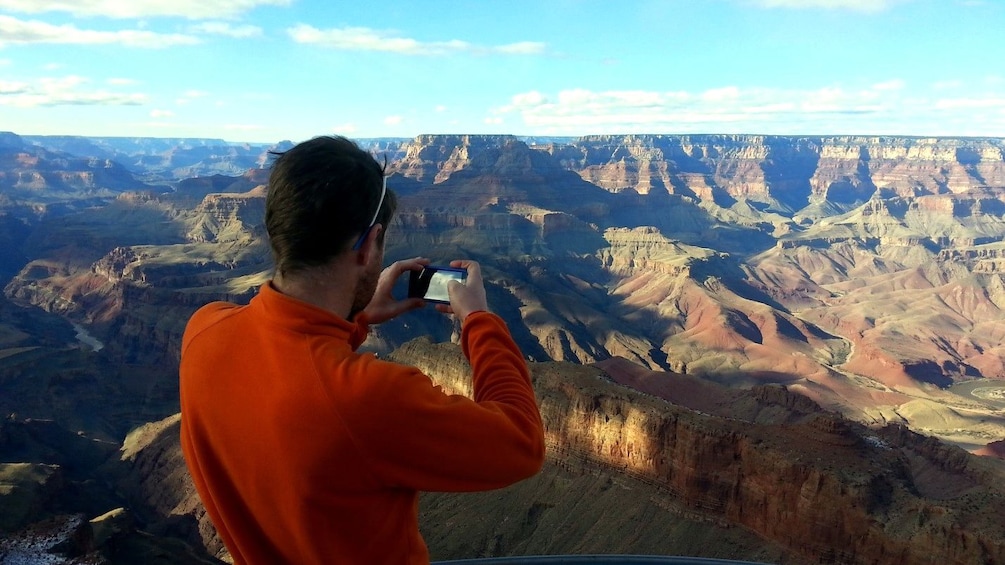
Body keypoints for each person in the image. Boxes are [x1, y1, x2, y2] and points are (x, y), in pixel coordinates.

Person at [179, 135, 545, 564]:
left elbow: (289, 357)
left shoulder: (204, 331)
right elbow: (521, 444)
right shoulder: (366, 398)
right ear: (370, 244)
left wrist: (357, 317)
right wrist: (478, 321)